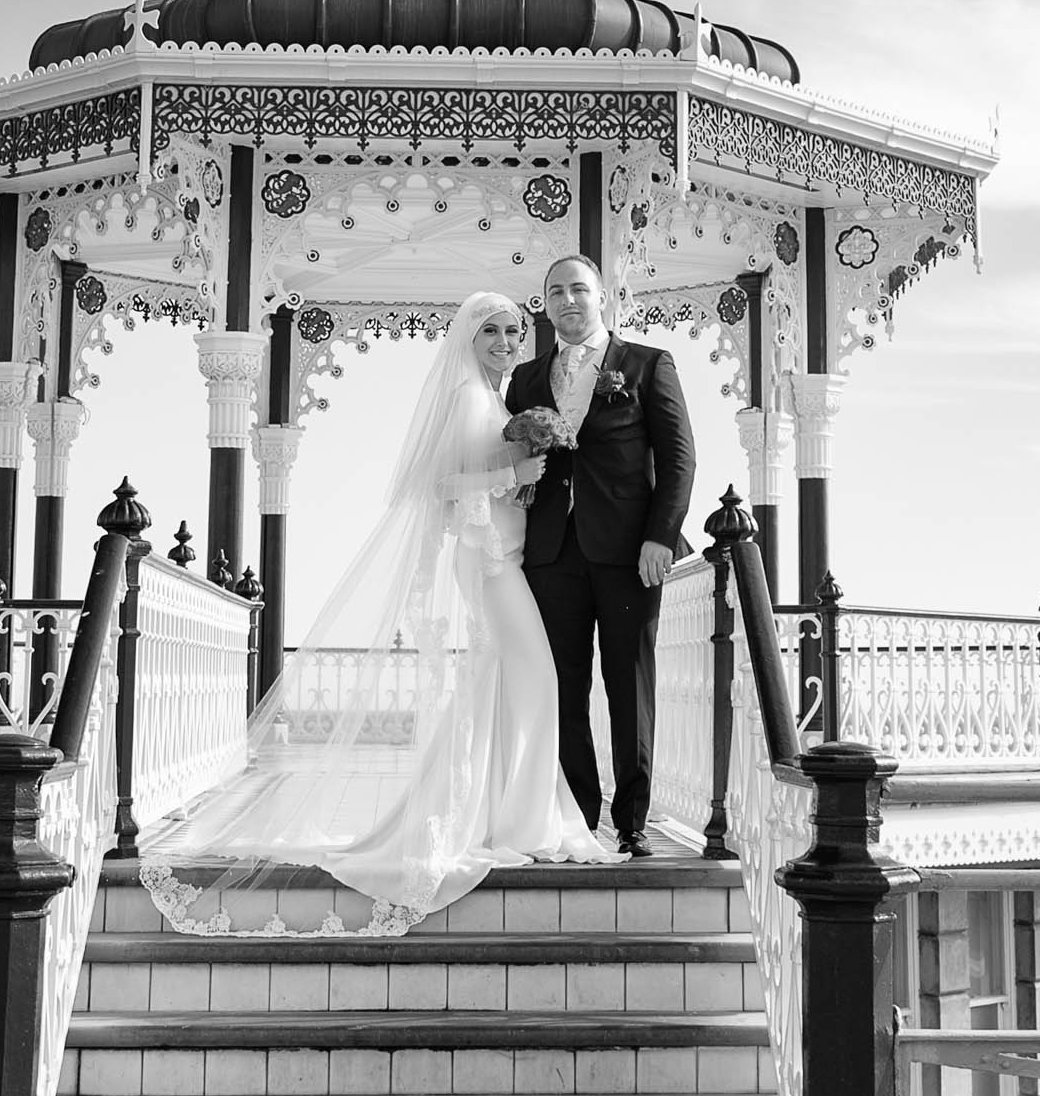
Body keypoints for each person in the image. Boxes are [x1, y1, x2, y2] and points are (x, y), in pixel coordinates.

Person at [142, 291, 609, 936]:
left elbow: (481, 478)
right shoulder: (470, 399)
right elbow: (440, 489)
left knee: (504, 688)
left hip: (507, 559)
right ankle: (518, 819)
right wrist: (512, 477)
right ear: (469, 342)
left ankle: (502, 816)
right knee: (533, 681)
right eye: (491, 332)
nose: (506, 341)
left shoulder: (495, 401)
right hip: (492, 567)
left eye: (511, 331)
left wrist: (518, 478)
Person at [503, 254, 697, 856]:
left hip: (628, 554)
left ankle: (633, 819)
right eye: (555, 291)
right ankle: (579, 815)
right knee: (562, 686)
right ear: (546, 303)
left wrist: (660, 538)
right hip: (550, 554)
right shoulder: (527, 379)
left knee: (628, 685)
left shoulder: (646, 365)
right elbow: (514, 462)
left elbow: (679, 458)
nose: (567, 301)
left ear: (602, 296)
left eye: (578, 290)